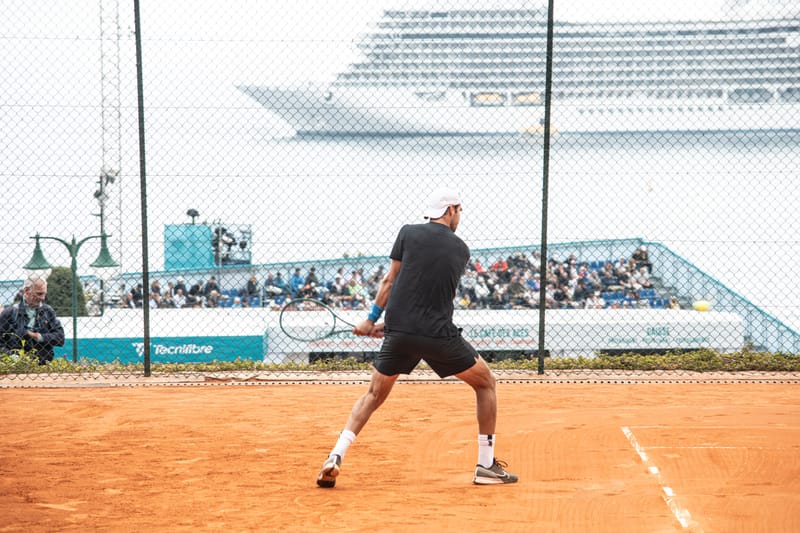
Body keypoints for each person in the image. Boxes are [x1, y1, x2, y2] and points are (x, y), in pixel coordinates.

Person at [315, 188, 518, 488]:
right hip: (437, 335)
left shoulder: (407, 233)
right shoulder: (461, 249)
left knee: (373, 395)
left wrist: (373, 320)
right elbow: (431, 294)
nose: (460, 216)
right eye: (460, 210)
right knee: (486, 382)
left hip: (401, 333)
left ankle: (336, 454)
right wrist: (391, 325)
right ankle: (486, 465)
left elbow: (392, 281)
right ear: (450, 210)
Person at [0, 274, 65, 365]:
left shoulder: (48, 311)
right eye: (39, 293)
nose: (43, 298)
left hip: (43, 367)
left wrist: (37, 336)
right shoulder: (10, 313)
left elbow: (60, 338)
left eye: (44, 294)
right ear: (26, 290)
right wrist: (11, 356)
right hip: (16, 368)